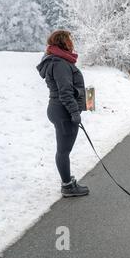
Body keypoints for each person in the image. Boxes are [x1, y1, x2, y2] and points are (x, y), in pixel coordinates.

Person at [37, 30, 90, 198]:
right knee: (63, 150)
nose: (72, 42)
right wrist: (74, 113)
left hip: (58, 109)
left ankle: (67, 180)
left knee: (63, 149)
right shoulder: (59, 63)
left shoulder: (58, 60)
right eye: (69, 39)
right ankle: (67, 186)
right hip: (63, 111)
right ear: (63, 42)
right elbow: (65, 92)